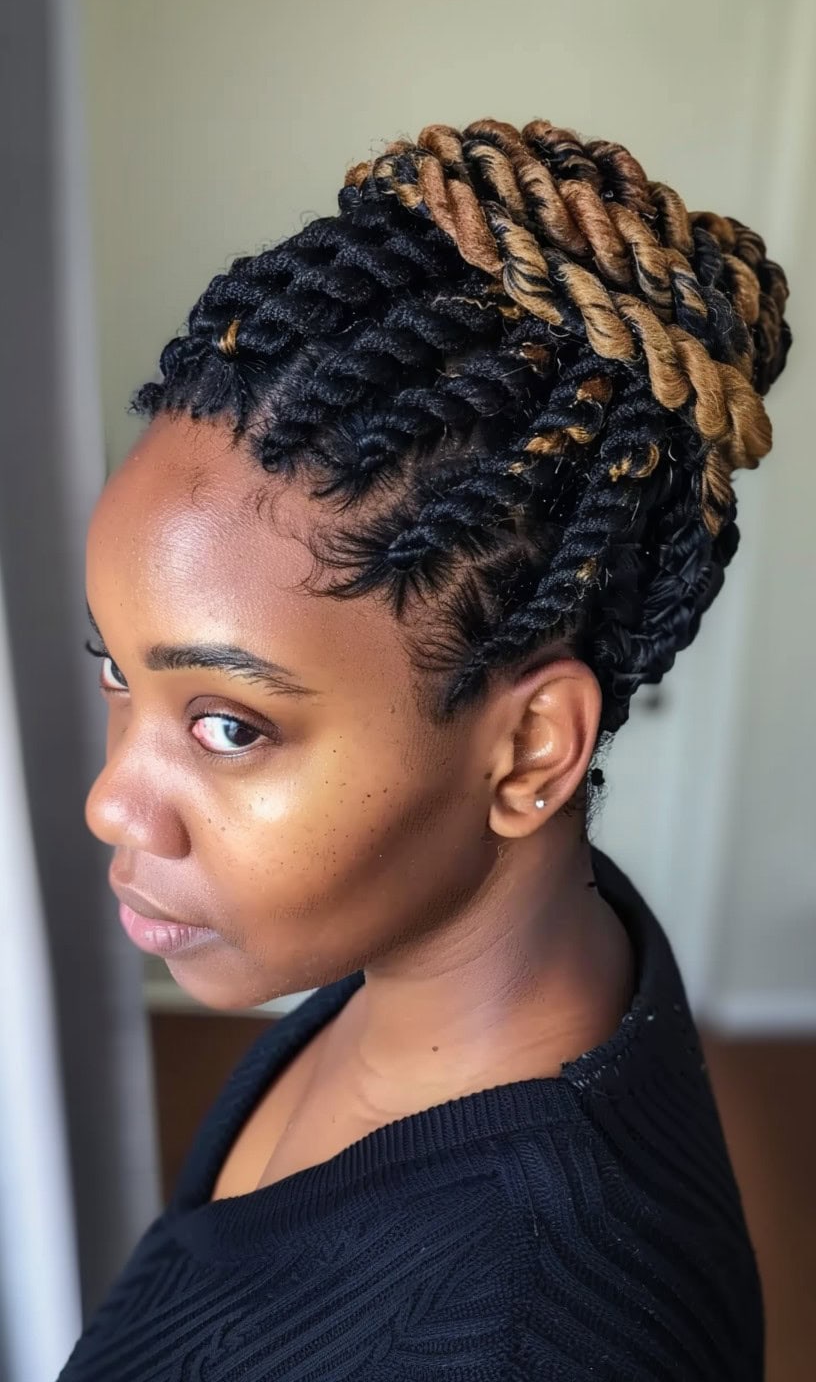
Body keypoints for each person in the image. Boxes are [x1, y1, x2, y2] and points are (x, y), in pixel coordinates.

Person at [59, 116, 791, 1380]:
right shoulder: (446, 955)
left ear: (529, 751)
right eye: (119, 669)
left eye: (229, 725)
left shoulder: (528, 1337)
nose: (115, 804)